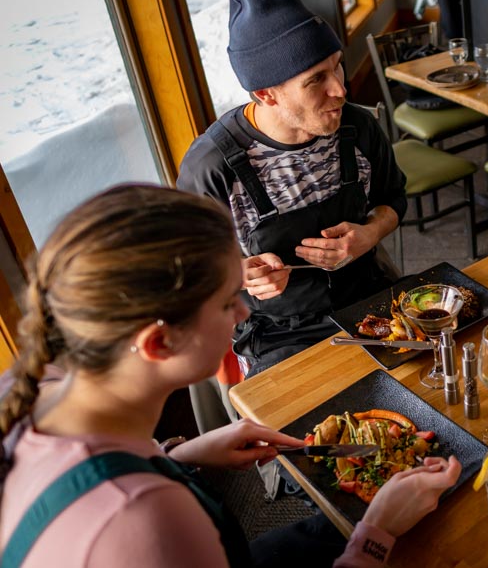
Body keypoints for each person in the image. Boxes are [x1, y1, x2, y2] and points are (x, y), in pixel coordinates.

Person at [0, 184, 461, 568]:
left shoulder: (32, 388)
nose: (243, 312)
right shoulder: (147, 521)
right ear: (158, 343)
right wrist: (375, 537)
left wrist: (178, 455)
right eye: (227, 302)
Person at [177, 0, 407, 380]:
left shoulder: (357, 128)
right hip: (280, 334)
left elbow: (394, 200)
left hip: (371, 300)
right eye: (316, 80)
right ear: (266, 93)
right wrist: (240, 275)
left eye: (336, 67)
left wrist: (369, 234)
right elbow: (190, 275)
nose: (340, 90)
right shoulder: (212, 166)